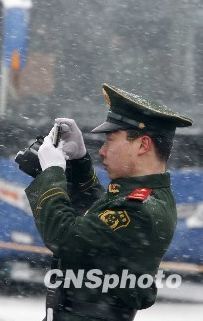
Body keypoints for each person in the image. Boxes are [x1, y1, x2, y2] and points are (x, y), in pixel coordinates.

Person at [24, 83, 193, 321]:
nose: (102, 151)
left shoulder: (140, 207)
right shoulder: (141, 196)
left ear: (143, 145)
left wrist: (52, 173)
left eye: (110, 140)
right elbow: (99, 220)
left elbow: (66, 238)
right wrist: (80, 162)